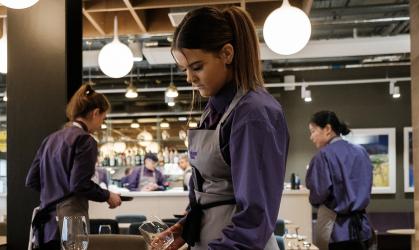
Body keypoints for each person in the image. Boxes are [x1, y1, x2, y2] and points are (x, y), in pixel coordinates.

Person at [157, 6, 290, 250]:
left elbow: (255, 218)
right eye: (184, 69)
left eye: (197, 67)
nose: (189, 78)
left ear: (227, 54)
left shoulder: (254, 115)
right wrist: (188, 226)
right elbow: (213, 191)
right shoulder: (214, 110)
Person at [25, 84, 122, 249]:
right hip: (73, 222)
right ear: (95, 112)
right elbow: (79, 185)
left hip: (46, 225)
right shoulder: (85, 140)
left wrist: (54, 193)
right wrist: (107, 195)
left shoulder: (50, 139)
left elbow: (31, 180)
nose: (100, 125)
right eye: (103, 118)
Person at [306, 111, 374, 250]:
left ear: (328, 129)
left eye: (313, 131)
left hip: (336, 231)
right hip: (363, 230)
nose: (311, 137)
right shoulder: (361, 152)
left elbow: (318, 194)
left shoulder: (323, 156)